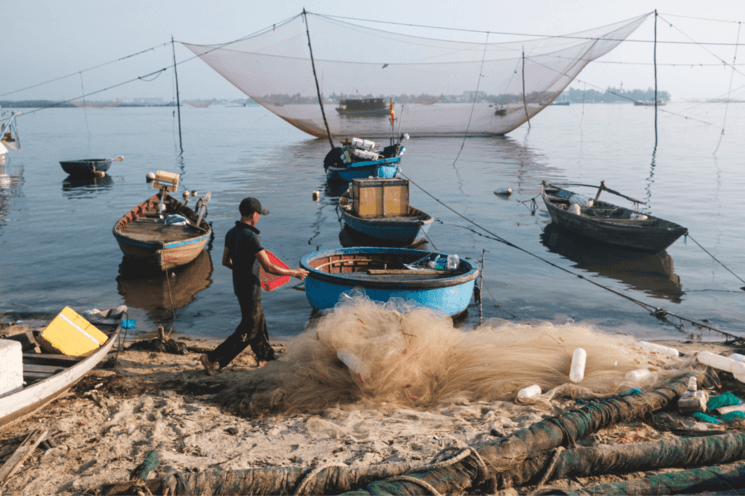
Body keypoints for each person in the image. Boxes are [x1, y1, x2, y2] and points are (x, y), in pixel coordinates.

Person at [200, 197, 307, 375]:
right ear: (255, 215)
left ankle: (266, 355)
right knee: (248, 330)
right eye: (259, 214)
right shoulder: (252, 237)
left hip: (239, 287)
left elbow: (225, 261)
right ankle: (212, 359)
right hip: (251, 289)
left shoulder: (231, 233)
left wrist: (241, 269)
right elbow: (269, 267)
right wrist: (293, 273)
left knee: (258, 322)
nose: (259, 217)